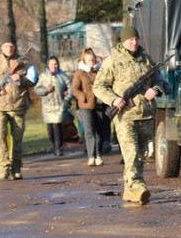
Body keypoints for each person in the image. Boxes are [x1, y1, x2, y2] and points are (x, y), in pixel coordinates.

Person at [93, 26, 167, 205]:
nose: (134, 42)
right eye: (130, 39)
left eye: (136, 39)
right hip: (125, 115)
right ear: (123, 41)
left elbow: (160, 79)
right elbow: (98, 86)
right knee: (131, 153)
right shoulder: (112, 61)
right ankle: (138, 187)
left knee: (141, 155)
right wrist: (113, 99)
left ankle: (130, 189)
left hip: (146, 114)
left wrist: (155, 90)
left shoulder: (147, 60)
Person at [0, 39, 35, 180]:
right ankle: (3, 168)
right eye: (6, 46)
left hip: (18, 105)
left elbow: (33, 80)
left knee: (17, 139)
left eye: (11, 46)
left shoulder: (24, 62)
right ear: (1, 48)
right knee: (0, 137)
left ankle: (16, 168)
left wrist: (21, 79)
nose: (9, 48)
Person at [35, 56, 74, 157]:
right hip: (47, 106)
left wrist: (66, 100)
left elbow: (71, 88)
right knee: (50, 128)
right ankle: (54, 145)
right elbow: (37, 89)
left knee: (57, 126)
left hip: (59, 105)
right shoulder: (43, 76)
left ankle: (58, 148)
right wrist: (45, 90)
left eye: (55, 64)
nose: (54, 66)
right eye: (51, 64)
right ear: (48, 65)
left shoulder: (63, 75)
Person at [71, 48, 104, 166]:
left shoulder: (100, 71)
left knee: (100, 131)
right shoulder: (79, 73)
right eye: (89, 60)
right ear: (84, 60)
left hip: (100, 104)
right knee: (89, 130)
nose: (92, 62)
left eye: (93, 60)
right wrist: (82, 96)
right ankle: (91, 156)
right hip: (85, 105)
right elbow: (74, 89)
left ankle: (98, 154)